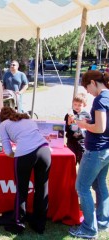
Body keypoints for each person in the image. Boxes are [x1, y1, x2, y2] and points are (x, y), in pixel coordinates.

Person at [69, 71, 109, 239]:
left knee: (82, 187)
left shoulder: (100, 100)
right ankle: (102, 221)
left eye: (87, 87)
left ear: (93, 82)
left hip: (96, 150)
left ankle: (88, 229)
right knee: (99, 186)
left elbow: (100, 128)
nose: (88, 92)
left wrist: (82, 124)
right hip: (105, 149)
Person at [0, 106, 51, 235]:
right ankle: (40, 225)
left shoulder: (4, 124)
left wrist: (16, 155)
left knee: (21, 190)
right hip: (44, 151)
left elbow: (8, 150)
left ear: (2, 117)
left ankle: (18, 224)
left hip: (25, 154)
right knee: (42, 189)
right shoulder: (28, 120)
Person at [64, 93, 91, 164]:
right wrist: (68, 124)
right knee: (71, 162)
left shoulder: (86, 115)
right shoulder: (69, 115)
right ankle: (73, 175)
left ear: (84, 105)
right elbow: (65, 129)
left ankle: (80, 174)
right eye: (75, 104)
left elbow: (89, 128)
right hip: (71, 142)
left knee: (83, 162)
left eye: (79, 105)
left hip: (82, 141)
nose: (77, 107)